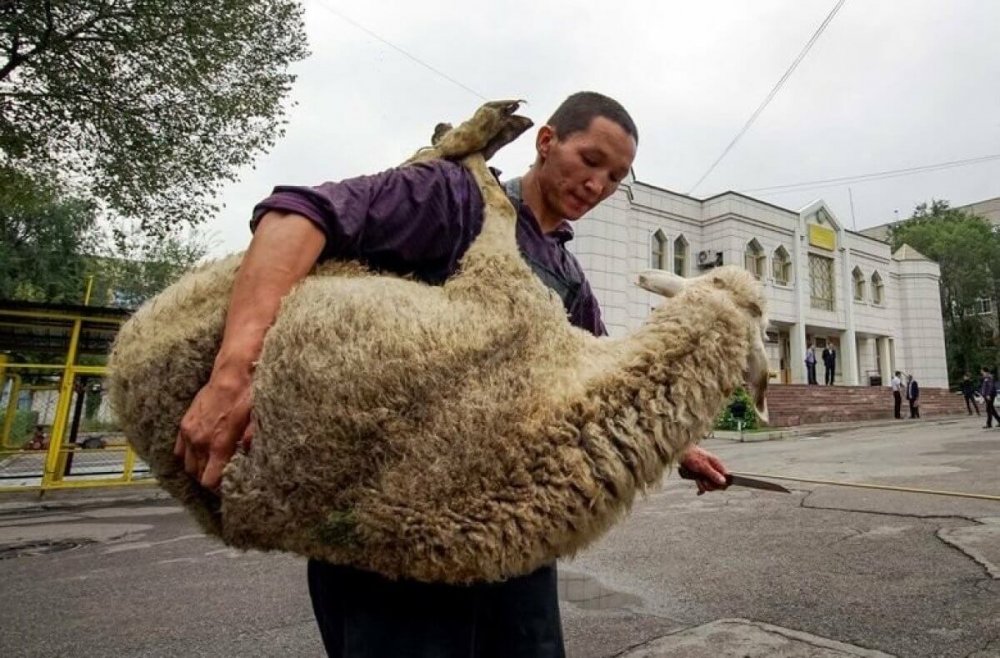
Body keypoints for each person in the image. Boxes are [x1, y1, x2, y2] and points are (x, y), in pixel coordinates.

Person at [172, 92, 733, 658]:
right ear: (546, 142)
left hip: (510, 533)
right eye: (590, 161)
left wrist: (679, 449)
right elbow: (298, 213)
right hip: (392, 536)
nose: (597, 185)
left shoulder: (565, 272)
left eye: (614, 178)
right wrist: (235, 370)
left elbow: (600, 374)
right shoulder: (456, 198)